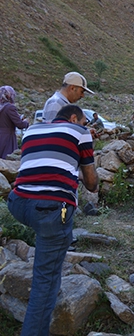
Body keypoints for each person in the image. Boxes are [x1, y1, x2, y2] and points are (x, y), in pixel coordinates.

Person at [7, 105, 98, 336]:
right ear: (75, 117)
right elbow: (91, 183)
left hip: (18, 202)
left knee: (47, 253)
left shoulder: (32, 131)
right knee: (45, 281)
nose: (86, 126)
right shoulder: (81, 132)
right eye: (84, 122)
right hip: (51, 208)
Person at [0, 86, 29, 159]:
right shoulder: (10, 107)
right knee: (7, 160)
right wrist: (26, 122)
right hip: (7, 137)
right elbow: (20, 124)